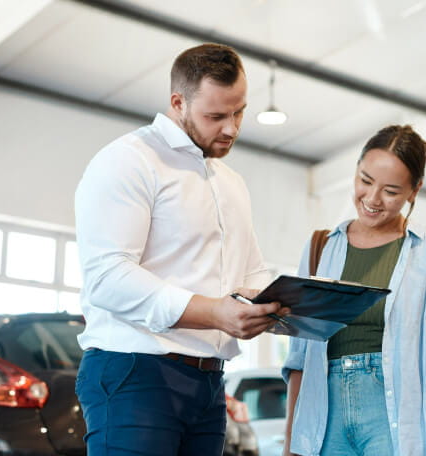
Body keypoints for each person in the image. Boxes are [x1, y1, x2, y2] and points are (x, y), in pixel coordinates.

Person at [74, 43, 286, 456]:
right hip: (134, 371)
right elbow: (107, 277)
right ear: (178, 102)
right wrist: (214, 312)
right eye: (216, 116)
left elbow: (252, 273)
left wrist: (290, 300)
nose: (232, 128)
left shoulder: (231, 183)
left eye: (239, 111)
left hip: (209, 382)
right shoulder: (128, 161)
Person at [282, 125, 426, 456]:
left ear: (414, 191)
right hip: (323, 418)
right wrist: (290, 445)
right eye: (365, 180)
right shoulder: (320, 249)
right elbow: (299, 359)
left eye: (390, 190)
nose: (372, 200)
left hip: (395, 419)